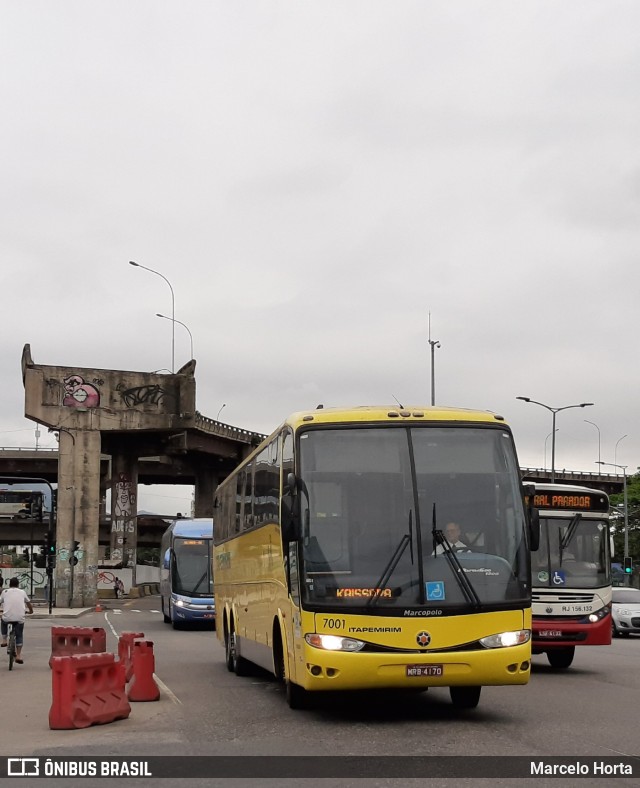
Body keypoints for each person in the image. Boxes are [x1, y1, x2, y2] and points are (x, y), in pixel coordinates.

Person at [0, 577, 34, 664]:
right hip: (19, 618)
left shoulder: (5, 592)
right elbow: (28, 603)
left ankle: (4, 640)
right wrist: (31, 611)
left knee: (3, 621)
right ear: (18, 585)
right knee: (19, 635)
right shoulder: (22, 592)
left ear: (9, 584)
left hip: (7, 617)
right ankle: (18, 656)